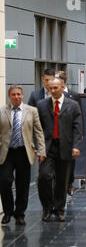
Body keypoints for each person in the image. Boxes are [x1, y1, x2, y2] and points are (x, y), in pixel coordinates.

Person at [37, 77, 82, 222]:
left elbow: (77, 127)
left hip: (66, 147)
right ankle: (47, 208)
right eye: (50, 88)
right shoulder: (42, 105)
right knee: (44, 176)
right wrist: (37, 147)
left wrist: (76, 146)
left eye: (55, 88)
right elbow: (37, 128)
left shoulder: (73, 105)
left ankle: (59, 209)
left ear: (62, 87)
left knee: (62, 181)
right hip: (47, 147)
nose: (52, 91)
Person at [0, 86, 46, 225]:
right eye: (13, 94)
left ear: (22, 95)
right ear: (9, 96)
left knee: (22, 184)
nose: (16, 97)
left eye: (19, 94)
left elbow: (38, 132)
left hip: (24, 151)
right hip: (6, 152)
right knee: (4, 181)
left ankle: (20, 213)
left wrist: (41, 150)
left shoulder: (31, 111)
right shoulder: (2, 111)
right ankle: (8, 211)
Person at [56, 71, 81, 196]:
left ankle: (69, 183)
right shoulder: (49, 98)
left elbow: (78, 118)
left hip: (69, 137)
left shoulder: (74, 96)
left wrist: (78, 137)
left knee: (70, 163)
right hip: (55, 137)